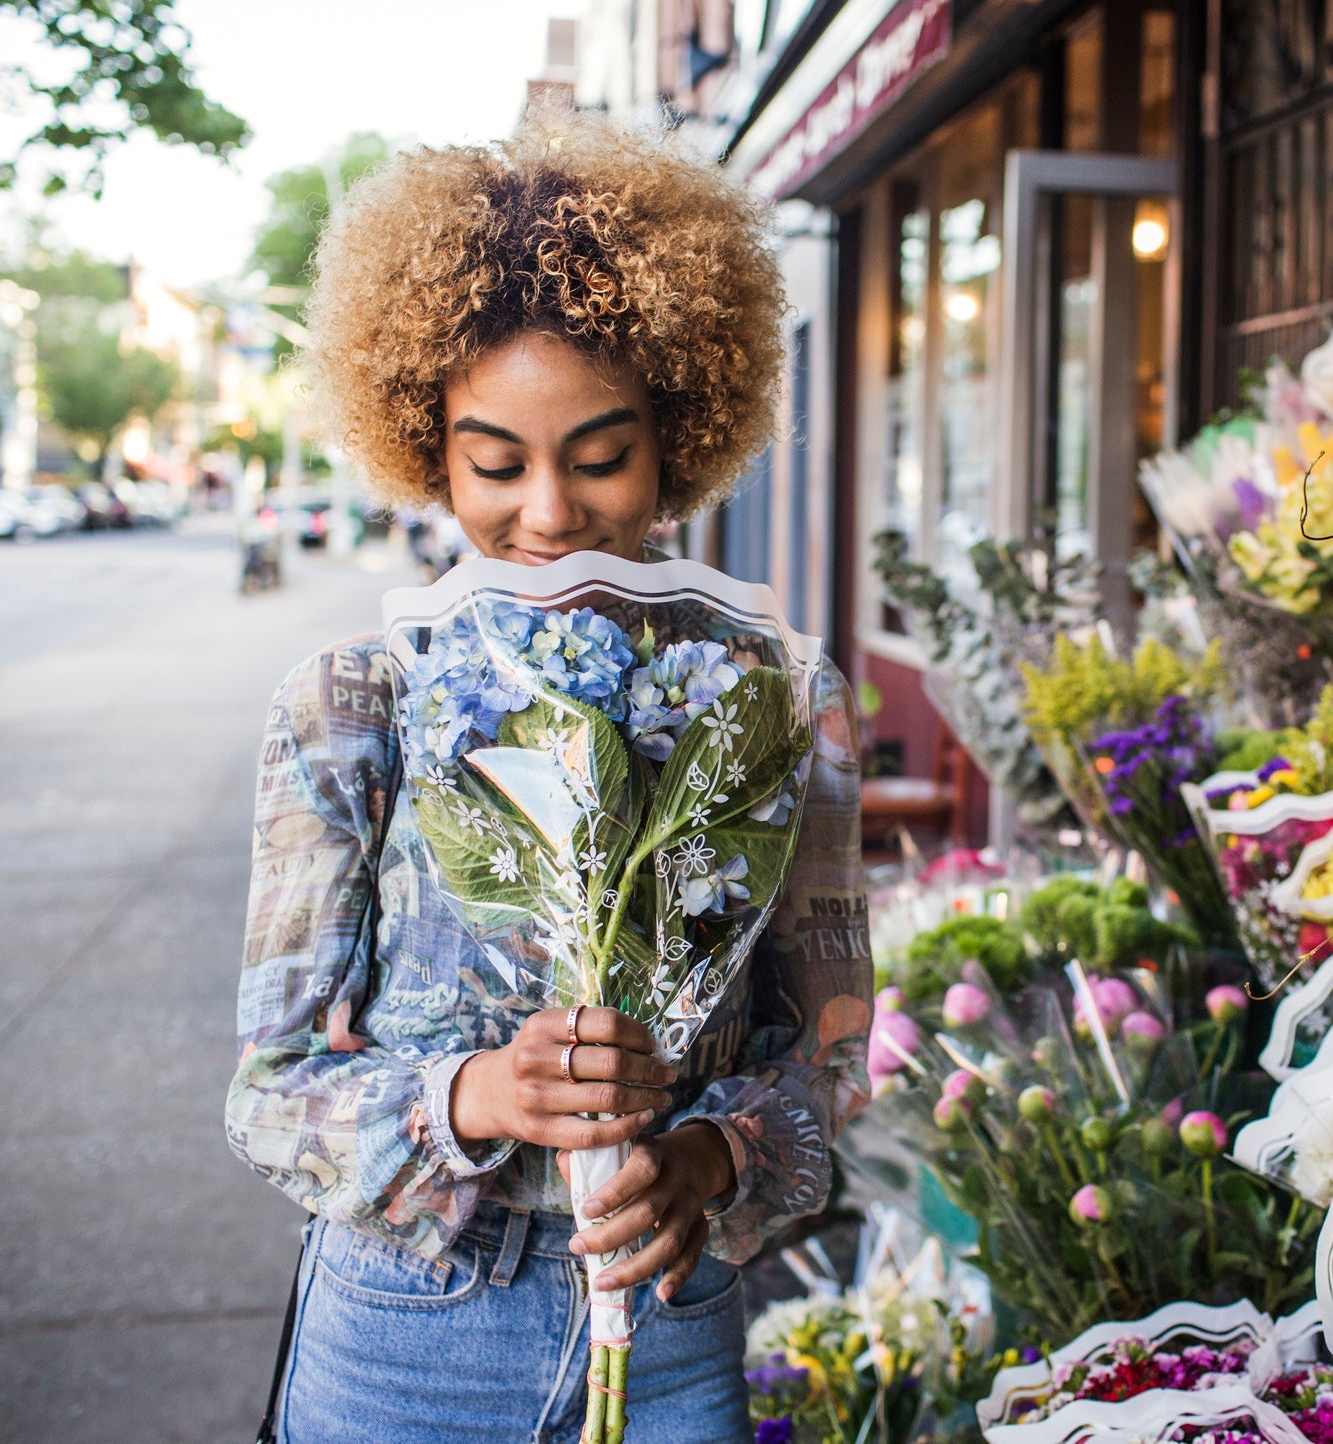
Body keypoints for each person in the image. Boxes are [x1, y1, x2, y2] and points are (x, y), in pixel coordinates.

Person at [226, 115, 873, 1444]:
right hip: (403, 1338)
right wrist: (468, 1098)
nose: (547, 514)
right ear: (425, 444)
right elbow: (268, 1091)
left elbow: (834, 1064)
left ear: (680, 433)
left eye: (597, 455)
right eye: (495, 461)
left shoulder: (786, 702)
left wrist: (718, 1158)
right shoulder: (355, 702)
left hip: (674, 1320)